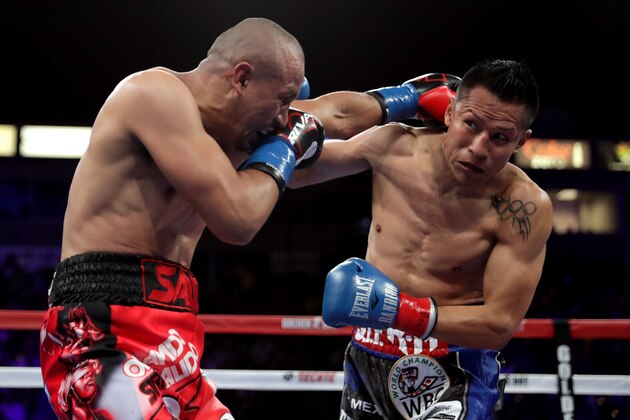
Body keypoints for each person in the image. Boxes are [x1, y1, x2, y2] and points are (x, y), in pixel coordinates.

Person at [38, 17, 358, 420]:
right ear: (242, 78)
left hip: (175, 340)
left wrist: (408, 101)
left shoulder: (232, 141)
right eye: (280, 100)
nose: (282, 119)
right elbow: (239, 220)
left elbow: (336, 117)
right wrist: (289, 145)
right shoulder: (153, 94)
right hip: (98, 332)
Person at [290, 59, 554, 419]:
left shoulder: (523, 205)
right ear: (449, 112)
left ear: (521, 141)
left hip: (454, 367)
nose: (478, 147)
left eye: (500, 137)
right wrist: (396, 100)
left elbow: (499, 325)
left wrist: (399, 311)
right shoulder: (393, 146)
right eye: (470, 124)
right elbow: (294, 170)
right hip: (368, 354)